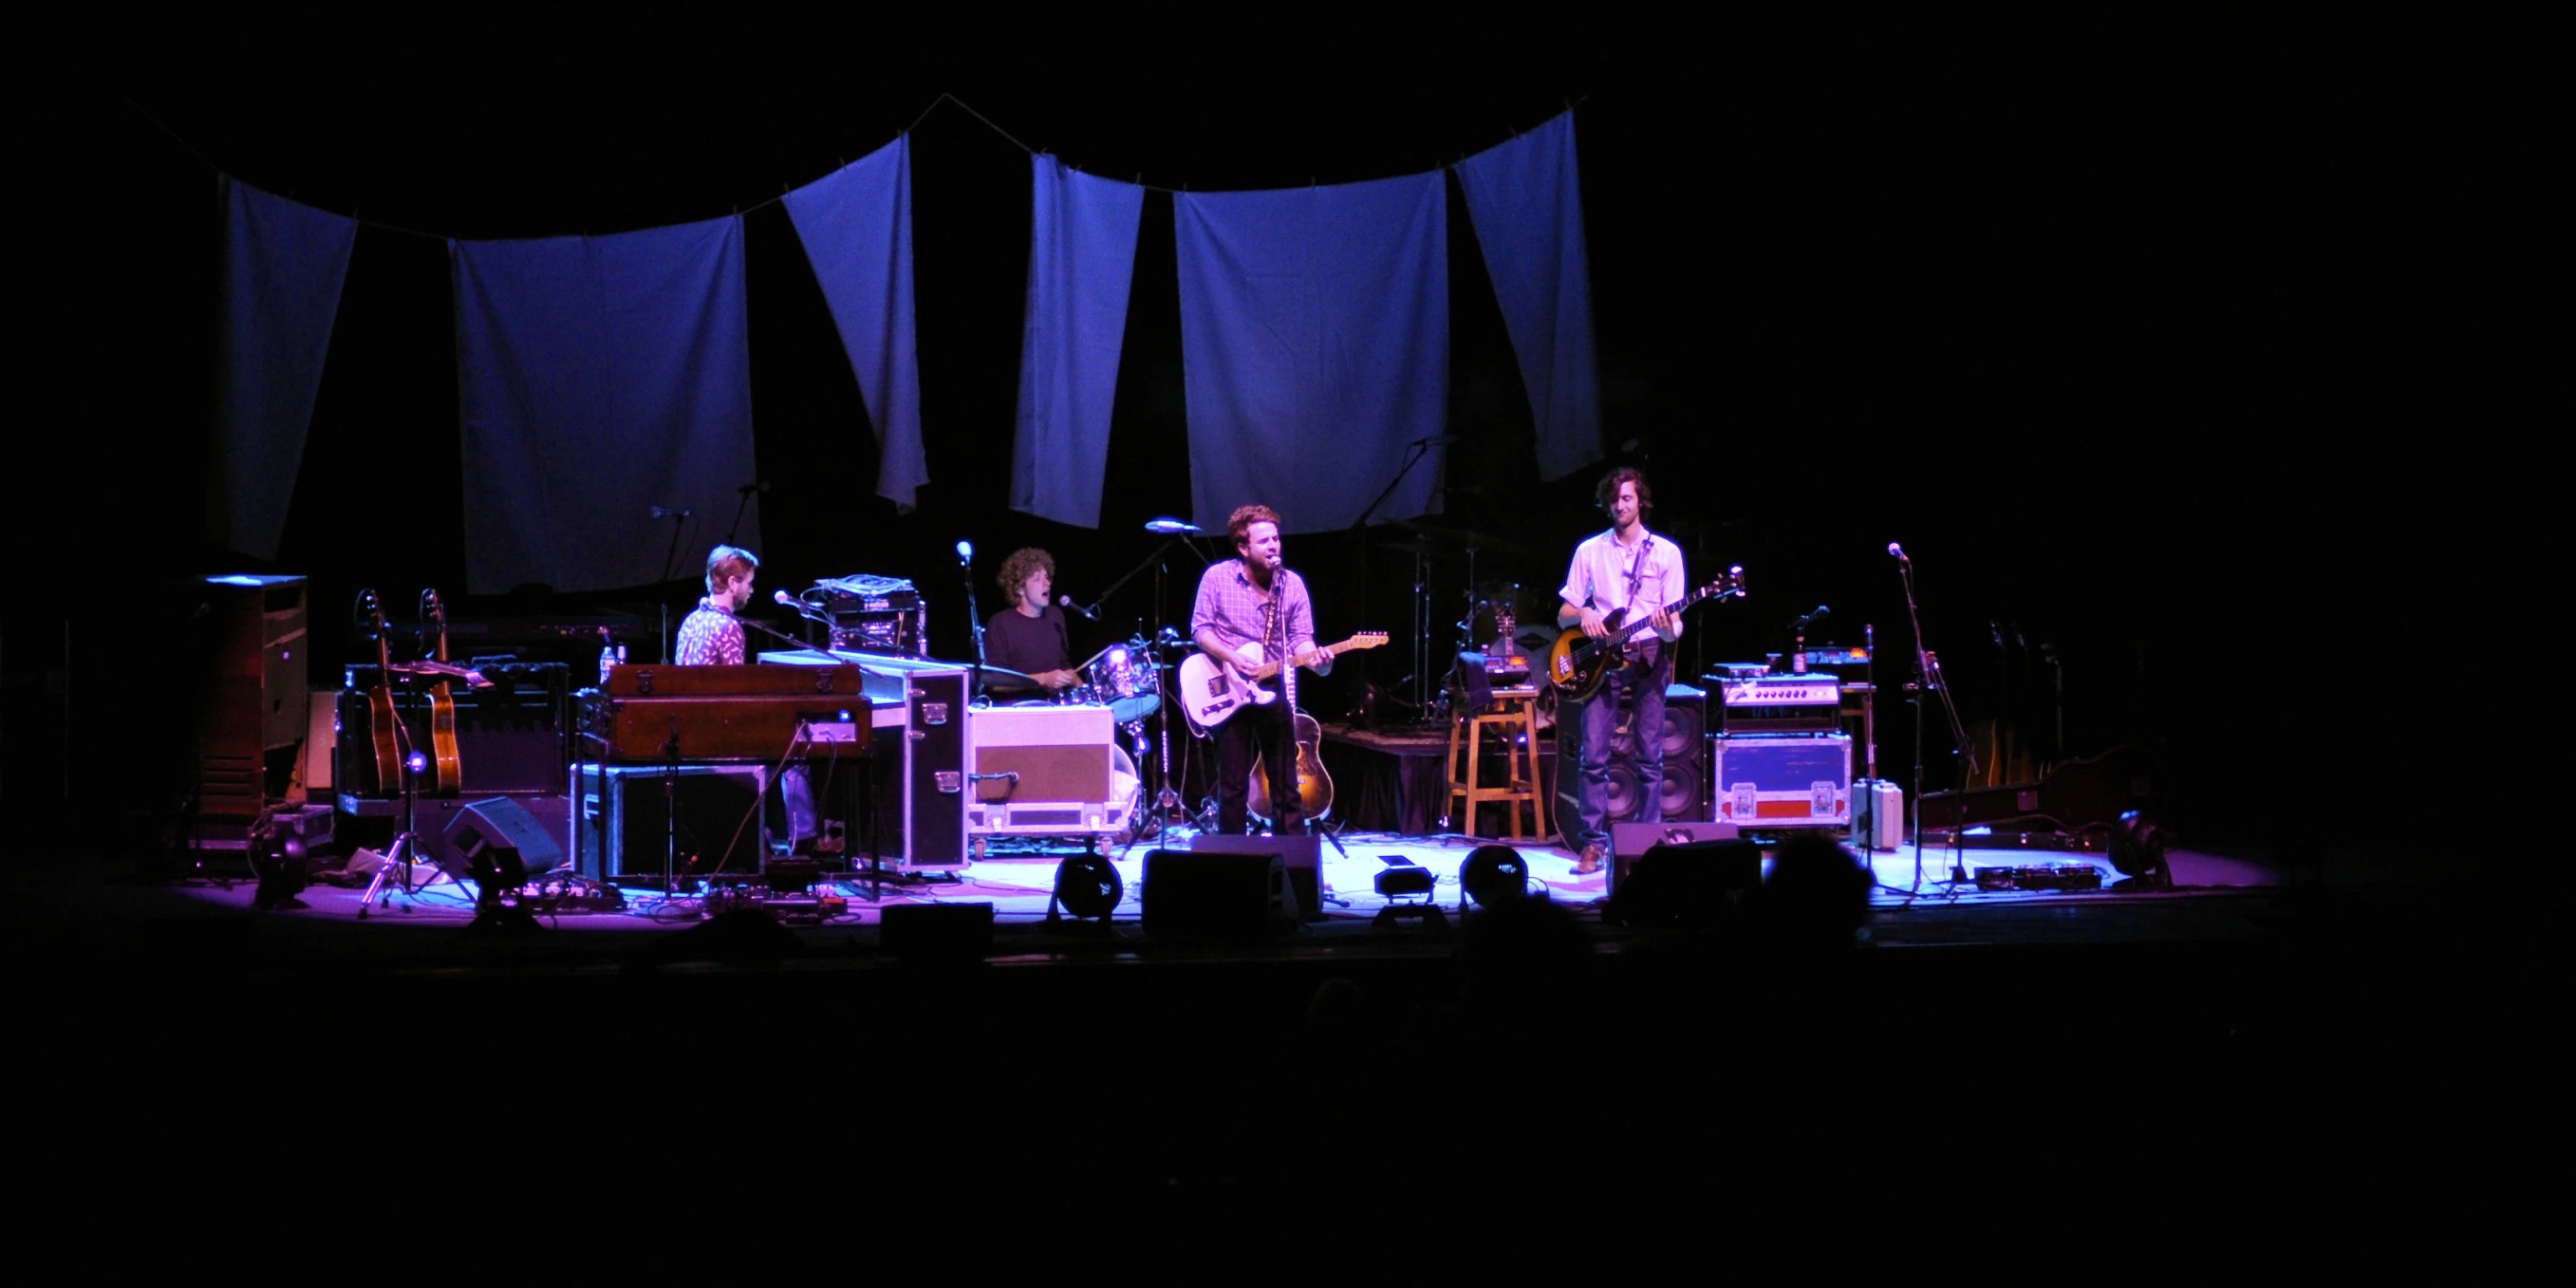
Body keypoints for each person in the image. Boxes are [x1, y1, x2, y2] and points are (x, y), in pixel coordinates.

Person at [1556, 468, 1685, 875]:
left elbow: (1674, 626)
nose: (1620, 505)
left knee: (1651, 757)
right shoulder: (1589, 551)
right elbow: (1563, 615)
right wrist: (1586, 612)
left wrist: (1666, 628)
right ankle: (1592, 846)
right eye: (1614, 499)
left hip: (1648, 655)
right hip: (1602, 662)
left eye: (1627, 498)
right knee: (1593, 757)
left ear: (1640, 501)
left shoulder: (1666, 553)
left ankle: (1648, 844)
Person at [1191, 504, 1331, 835]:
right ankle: (1232, 861)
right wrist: (1231, 656)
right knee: (1233, 787)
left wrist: (1318, 660)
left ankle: (1292, 861)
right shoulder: (1217, 577)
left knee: (1286, 784)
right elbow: (1200, 629)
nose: (1273, 546)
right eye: (1264, 540)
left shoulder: (1291, 585)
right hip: (1229, 687)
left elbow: (1300, 639)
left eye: (1276, 539)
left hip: (1272, 686)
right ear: (1243, 547)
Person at [983, 547, 1082, 693]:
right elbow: (996, 682)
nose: (1047, 583)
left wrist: (1079, 683)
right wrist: (1042, 679)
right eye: (1037, 579)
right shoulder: (1000, 623)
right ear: (1019, 589)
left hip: (1055, 706)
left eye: (1047, 577)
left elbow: (1063, 663)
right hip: (1019, 709)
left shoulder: (1055, 615)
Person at [674, 545, 758, 665]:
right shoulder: (729, 627)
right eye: (749, 583)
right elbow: (734, 681)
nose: (751, 590)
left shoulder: (691, 620)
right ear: (732, 582)